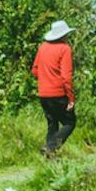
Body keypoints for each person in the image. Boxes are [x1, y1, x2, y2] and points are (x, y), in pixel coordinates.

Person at [30, 19, 76, 158]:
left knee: (52, 123)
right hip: (58, 92)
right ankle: (51, 148)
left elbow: (35, 70)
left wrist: (46, 78)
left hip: (43, 93)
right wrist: (71, 98)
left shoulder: (43, 47)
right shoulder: (64, 48)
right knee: (69, 122)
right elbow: (66, 76)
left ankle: (49, 157)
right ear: (63, 35)